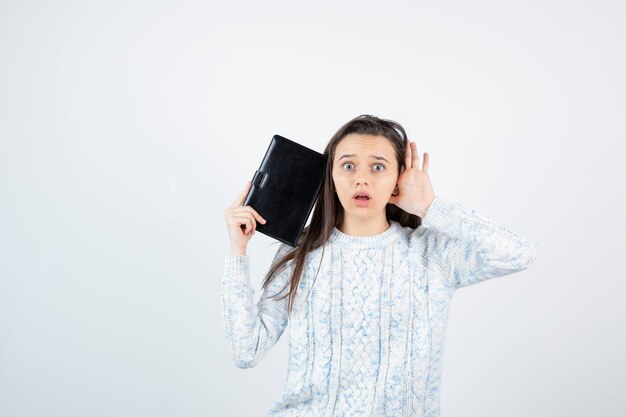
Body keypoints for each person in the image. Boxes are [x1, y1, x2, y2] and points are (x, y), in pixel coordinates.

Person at [221, 114, 537, 417]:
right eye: (348, 166)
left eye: (378, 167)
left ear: (398, 178)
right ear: (330, 176)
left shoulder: (431, 254)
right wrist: (238, 251)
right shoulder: (301, 254)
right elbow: (246, 351)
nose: (361, 178)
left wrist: (429, 206)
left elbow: (518, 253)